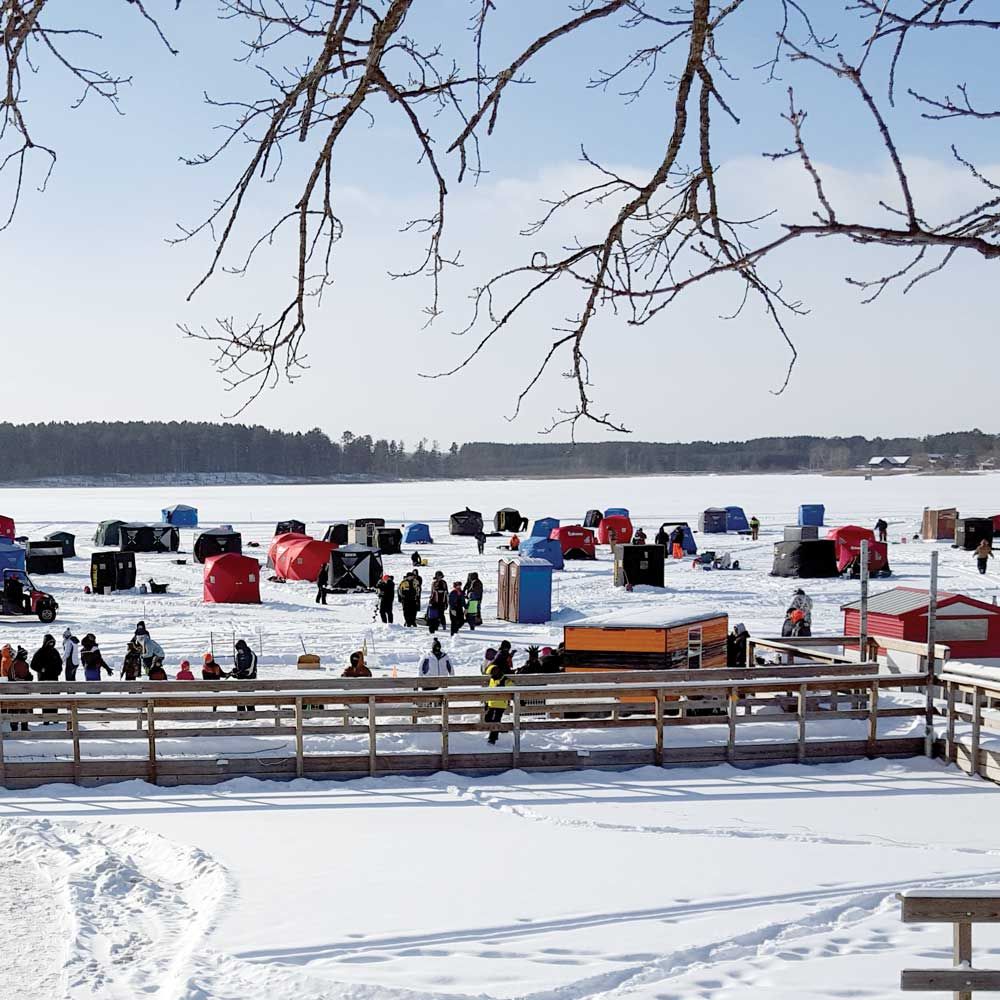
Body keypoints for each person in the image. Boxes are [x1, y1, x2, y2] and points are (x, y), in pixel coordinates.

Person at [484, 648, 515, 744]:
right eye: (492, 673)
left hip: (501, 703)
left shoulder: (504, 680)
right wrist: (486, 702)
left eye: (495, 672)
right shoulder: (492, 680)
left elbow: (512, 686)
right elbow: (489, 691)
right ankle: (500, 729)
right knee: (487, 719)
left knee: (496, 720)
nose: (493, 674)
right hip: (492, 703)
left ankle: (492, 738)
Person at [6, 647, 31, 730]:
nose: (25, 657)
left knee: (24, 709)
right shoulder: (14, 664)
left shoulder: (26, 664)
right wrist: (23, 680)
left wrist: (29, 677)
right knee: (14, 709)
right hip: (15, 691)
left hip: (25, 691)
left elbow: (27, 674)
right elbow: (12, 678)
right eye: (24, 655)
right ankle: (14, 727)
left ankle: (24, 726)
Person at [232, 638, 258, 712]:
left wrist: (242, 673)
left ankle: (251, 716)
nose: (239, 651)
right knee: (240, 699)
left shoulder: (251, 654)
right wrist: (235, 672)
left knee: (249, 699)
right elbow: (238, 667)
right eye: (237, 649)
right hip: (241, 681)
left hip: (250, 680)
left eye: (239, 649)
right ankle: (241, 716)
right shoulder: (238, 656)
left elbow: (251, 669)